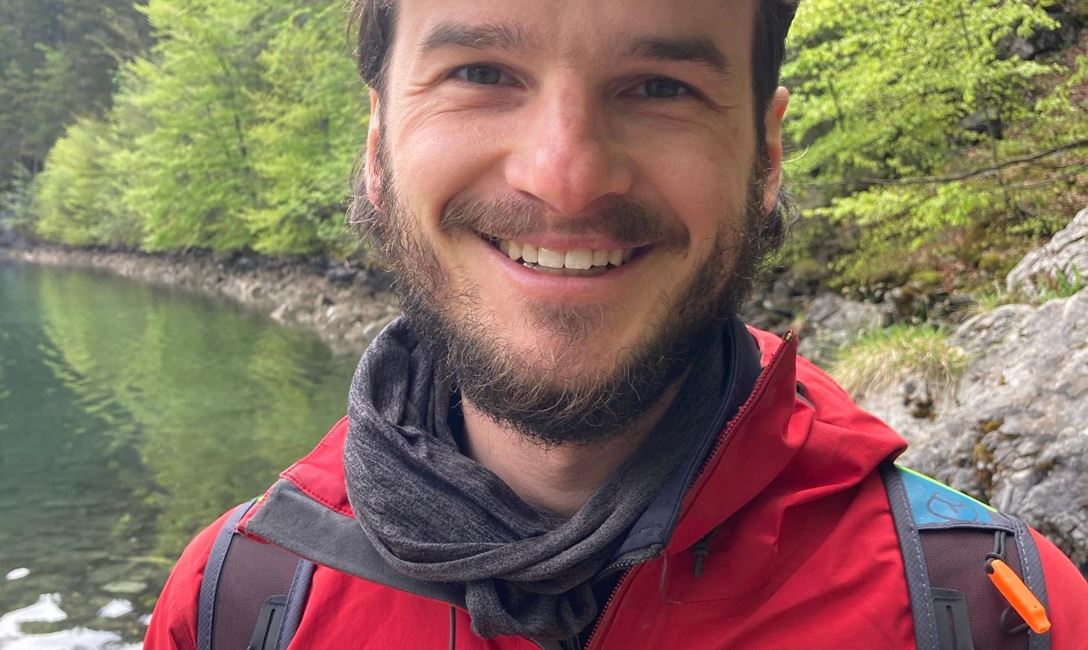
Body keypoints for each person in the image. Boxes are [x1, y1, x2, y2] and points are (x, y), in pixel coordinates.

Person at [146, 0, 1088, 648]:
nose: (565, 176)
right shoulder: (237, 600)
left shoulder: (1001, 612)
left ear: (765, 156)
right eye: (481, 72)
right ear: (377, 145)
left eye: (660, 87)